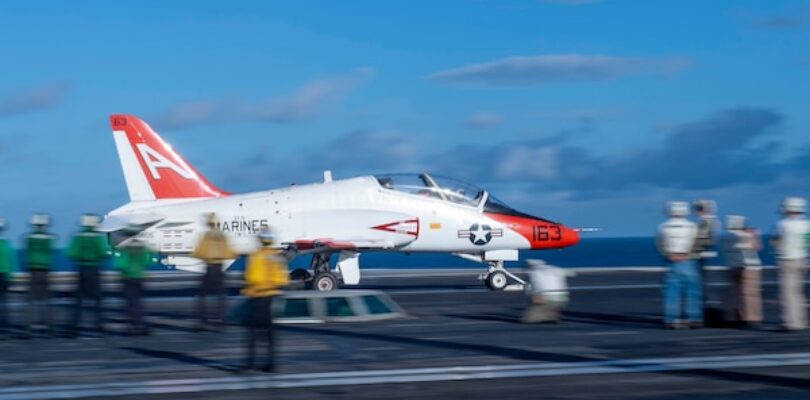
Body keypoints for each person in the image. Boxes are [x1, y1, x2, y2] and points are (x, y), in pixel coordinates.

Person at [242, 228, 289, 372]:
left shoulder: (256, 256)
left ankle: (249, 365)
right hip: (272, 298)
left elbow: (252, 277)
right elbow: (283, 279)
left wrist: (247, 287)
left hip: (257, 297)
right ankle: (271, 364)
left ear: (260, 240)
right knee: (269, 334)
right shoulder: (277, 256)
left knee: (253, 334)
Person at [657, 201, 701, 329]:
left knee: (672, 292)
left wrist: (669, 255)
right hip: (688, 260)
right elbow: (697, 243)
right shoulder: (692, 226)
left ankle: (671, 320)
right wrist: (688, 255)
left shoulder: (662, 226)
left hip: (671, 260)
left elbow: (660, 244)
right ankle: (694, 319)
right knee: (692, 291)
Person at [191, 213, 237, 331]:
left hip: (210, 267)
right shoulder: (223, 236)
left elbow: (200, 251)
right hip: (220, 267)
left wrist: (197, 255)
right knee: (221, 295)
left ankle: (203, 321)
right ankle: (222, 320)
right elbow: (230, 252)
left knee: (202, 295)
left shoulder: (206, 236)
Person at [67, 214, 111, 336]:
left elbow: (71, 253)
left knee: (79, 300)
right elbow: (103, 252)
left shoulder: (78, 236)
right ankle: (99, 325)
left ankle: (75, 326)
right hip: (94, 269)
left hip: (82, 269)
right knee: (97, 300)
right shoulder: (97, 236)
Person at [772, 197, 810, 332]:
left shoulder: (783, 224)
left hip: (788, 259)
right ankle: (801, 321)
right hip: (803, 258)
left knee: (787, 292)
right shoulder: (807, 224)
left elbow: (777, 241)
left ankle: (790, 322)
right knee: (799, 292)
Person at [114, 226, 156, 336]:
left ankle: (135, 325)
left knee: (130, 303)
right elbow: (149, 260)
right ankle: (142, 325)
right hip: (140, 276)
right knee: (138, 302)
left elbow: (120, 263)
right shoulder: (143, 245)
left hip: (128, 277)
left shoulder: (124, 246)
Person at [722, 215, 762, 326]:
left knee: (734, 293)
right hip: (750, 266)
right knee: (751, 294)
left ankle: (732, 316)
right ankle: (752, 317)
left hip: (734, 266)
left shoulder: (727, 237)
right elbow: (757, 247)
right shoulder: (746, 235)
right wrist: (753, 235)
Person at [24, 214, 56, 337]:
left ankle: (29, 327)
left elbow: (28, 250)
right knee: (46, 300)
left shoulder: (29, 237)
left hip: (33, 269)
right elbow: (50, 250)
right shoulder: (49, 237)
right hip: (45, 269)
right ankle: (47, 327)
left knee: (31, 300)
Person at [692, 200, 719, 310]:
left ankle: (699, 308)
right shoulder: (712, 220)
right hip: (704, 252)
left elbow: (701, 238)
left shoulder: (704, 221)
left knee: (698, 281)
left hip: (698, 253)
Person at [0, 218, 16, 337]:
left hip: (4, 275)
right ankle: (4, 330)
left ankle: (4, 329)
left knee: (4, 304)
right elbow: (12, 262)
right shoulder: (7, 243)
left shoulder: (7, 243)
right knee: (4, 304)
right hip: (4, 276)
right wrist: (11, 277)